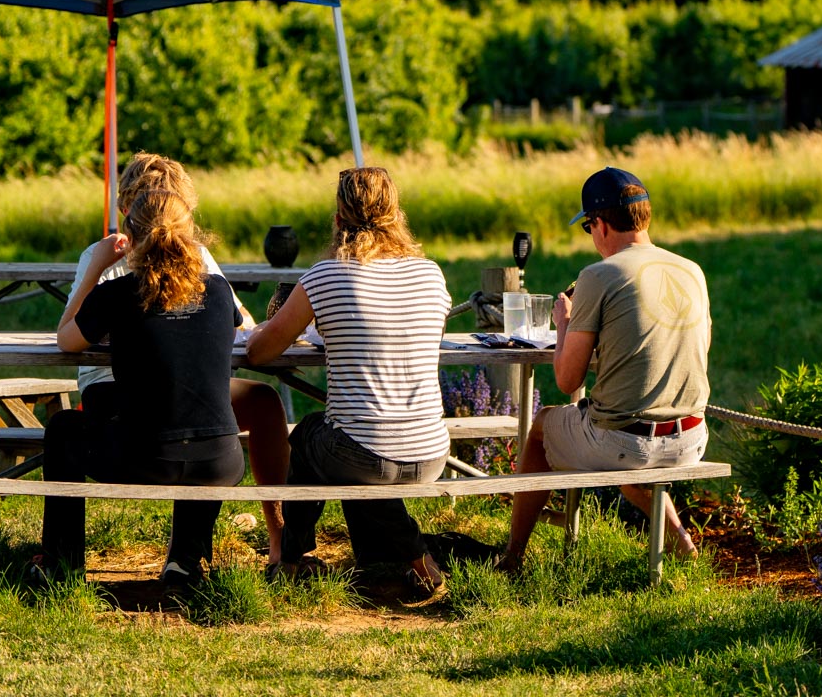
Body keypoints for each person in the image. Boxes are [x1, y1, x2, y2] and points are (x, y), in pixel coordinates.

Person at [68, 157, 290, 575]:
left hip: (181, 389)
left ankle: (276, 536)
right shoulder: (105, 259)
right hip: (116, 384)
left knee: (256, 402)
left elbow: (240, 319)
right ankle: (190, 553)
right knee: (198, 410)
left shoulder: (199, 258)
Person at [38, 154, 245, 589]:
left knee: (62, 429)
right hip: (223, 461)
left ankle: (63, 564)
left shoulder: (117, 291)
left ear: (128, 232)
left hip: (147, 453)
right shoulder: (220, 288)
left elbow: (65, 340)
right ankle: (186, 561)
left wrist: (96, 266)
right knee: (193, 409)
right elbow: (239, 327)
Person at [246, 166, 450, 603]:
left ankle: (292, 561)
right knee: (346, 445)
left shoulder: (326, 276)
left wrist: (263, 329)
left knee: (312, 439)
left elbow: (261, 352)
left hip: (366, 455)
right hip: (432, 449)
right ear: (396, 213)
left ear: (339, 217)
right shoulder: (431, 274)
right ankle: (359, 559)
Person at [496, 167, 711, 572]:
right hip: (692, 438)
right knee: (626, 427)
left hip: (627, 442)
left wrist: (564, 323)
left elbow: (566, 381)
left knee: (543, 425)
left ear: (600, 224)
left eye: (588, 228)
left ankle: (513, 556)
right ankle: (681, 541)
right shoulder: (691, 270)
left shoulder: (599, 275)